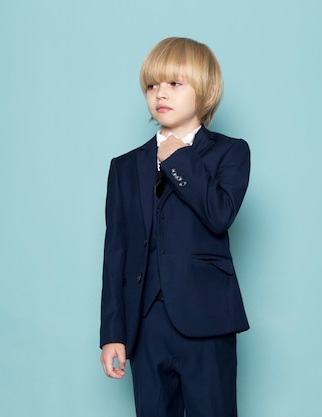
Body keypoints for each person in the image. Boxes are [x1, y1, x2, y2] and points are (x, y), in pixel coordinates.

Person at [99, 37, 250, 417]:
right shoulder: (125, 166)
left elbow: (219, 214)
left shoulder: (230, 153)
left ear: (206, 91)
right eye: (152, 86)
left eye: (174, 84)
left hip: (207, 321)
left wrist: (179, 159)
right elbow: (115, 252)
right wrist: (112, 334)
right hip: (146, 325)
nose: (159, 94)